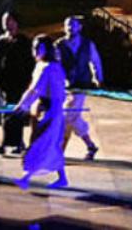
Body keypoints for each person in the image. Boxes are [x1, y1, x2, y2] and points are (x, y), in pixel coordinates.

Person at [14, 35, 68, 190]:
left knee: (41, 145)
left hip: (51, 111)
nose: (35, 51)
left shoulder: (50, 68)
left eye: (38, 47)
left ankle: (26, 178)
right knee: (50, 146)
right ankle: (61, 178)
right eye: (34, 47)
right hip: (45, 109)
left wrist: (22, 106)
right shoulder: (43, 66)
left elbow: (36, 90)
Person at [0, 12, 34, 154]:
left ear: (16, 22)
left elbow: (30, 63)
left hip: (19, 81)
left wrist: (31, 81)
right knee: (4, 111)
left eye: (10, 20)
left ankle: (18, 143)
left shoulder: (24, 41)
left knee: (16, 112)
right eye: (5, 20)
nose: (7, 23)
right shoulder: (0, 41)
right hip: (4, 81)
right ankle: (5, 142)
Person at [54, 16, 102, 160]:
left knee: (67, 114)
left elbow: (95, 60)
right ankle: (90, 145)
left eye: (73, 25)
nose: (70, 28)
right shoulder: (59, 44)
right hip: (66, 86)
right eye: (68, 25)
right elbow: (55, 64)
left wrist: (98, 77)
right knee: (72, 117)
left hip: (81, 85)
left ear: (80, 27)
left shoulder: (88, 44)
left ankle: (59, 151)